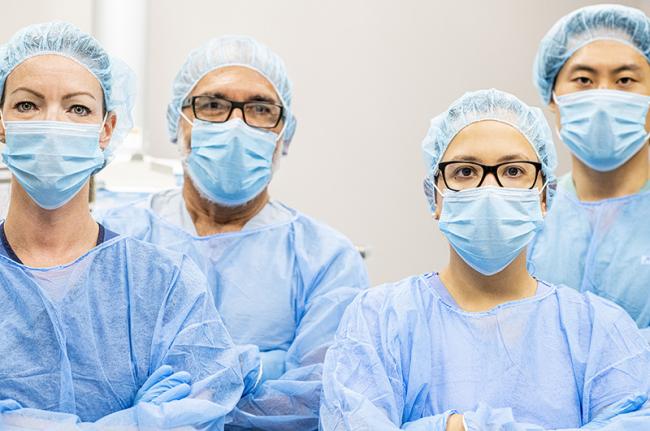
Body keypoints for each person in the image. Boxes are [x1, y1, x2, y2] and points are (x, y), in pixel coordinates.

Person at [319, 89, 650, 430]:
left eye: (513, 171)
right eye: (464, 171)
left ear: (544, 196)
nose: (490, 189)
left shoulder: (599, 329)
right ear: (436, 196)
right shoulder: (379, 320)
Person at [96, 35, 369, 430]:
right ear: (179, 121)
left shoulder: (326, 259)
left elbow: (317, 396)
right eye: (213, 105)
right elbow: (90, 377)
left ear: (283, 133)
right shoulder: (115, 237)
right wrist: (255, 373)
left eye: (260, 109)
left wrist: (173, 409)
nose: (236, 124)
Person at [0, 22, 250, 430]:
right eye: (27, 105)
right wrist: (133, 422)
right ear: (1, 124)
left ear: (107, 129)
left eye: (77, 108)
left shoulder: (164, 283)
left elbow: (199, 409)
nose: (53, 123)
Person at [527, 4, 650, 331]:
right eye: (583, 79)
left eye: (625, 80)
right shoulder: (526, 219)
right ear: (553, 97)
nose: (603, 98)